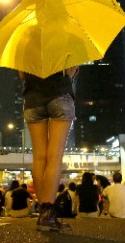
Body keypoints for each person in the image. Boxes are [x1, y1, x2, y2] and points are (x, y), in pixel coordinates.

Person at [19, 66, 79, 231]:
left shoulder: (24, 42)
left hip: (32, 101)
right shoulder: (66, 40)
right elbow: (70, 71)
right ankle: (48, 213)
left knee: (39, 157)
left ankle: (43, 214)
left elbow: (23, 74)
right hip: (59, 96)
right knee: (55, 156)